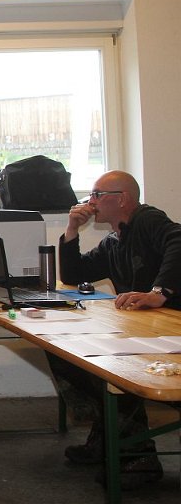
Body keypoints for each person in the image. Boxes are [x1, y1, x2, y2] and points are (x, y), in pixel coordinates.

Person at [51, 169, 180, 489]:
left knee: (112, 369)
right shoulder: (114, 240)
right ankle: (107, 436)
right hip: (145, 331)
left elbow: (179, 240)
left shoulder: (147, 220)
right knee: (66, 354)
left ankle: (138, 457)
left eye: (97, 194)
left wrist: (159, 292)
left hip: (170, 332)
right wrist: (71, 229)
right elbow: (73, 275)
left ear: (122, 200)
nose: (90, 201)